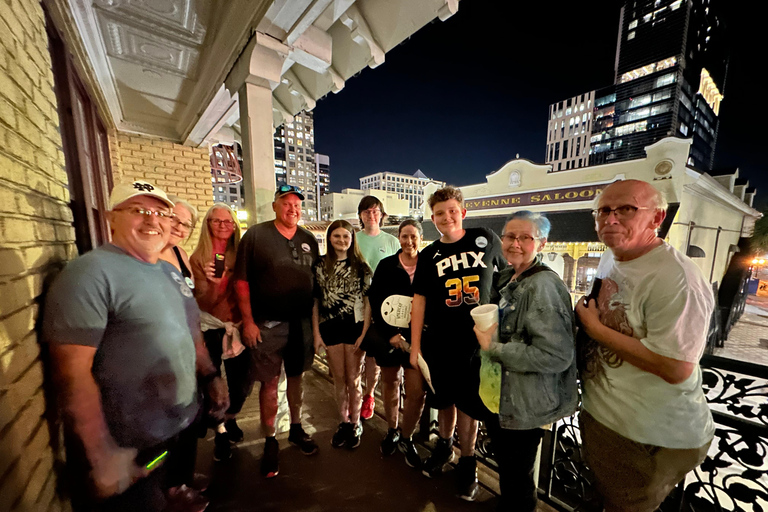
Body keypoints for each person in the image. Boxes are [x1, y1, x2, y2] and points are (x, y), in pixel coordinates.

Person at [44, 180, 228, 512]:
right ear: (112, 217)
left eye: (161, 212)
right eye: (138, 211)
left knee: (164, 490)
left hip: (170, 428)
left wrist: (211, 376)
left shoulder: (168, 272)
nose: (152, 220)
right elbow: (72, 374)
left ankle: (175, 487)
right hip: (126, 444)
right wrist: (102, 456)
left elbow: (190, 330)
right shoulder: (89, 274)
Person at [575, 179, 714, 512]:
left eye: (626, 209)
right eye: (603, 210)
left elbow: (676, 367)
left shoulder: (677, 278)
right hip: (609, 419)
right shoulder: (613, 257)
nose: (610, 219)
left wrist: (595, 329)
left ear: (657, 218)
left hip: (646, 435)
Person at [474, 211, 577, 512]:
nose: (515, 243)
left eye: (525, 238)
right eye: (509, 236)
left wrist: (493, 347)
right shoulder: (509, 277)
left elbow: (555, 355)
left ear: (541, 243)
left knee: (518, 474)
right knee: (510, 469)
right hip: (504, 396)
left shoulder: (543, 287)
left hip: (525, 401)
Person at [409, 186, 506, 501]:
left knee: (470, 405)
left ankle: (468, 461)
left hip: (478, 342)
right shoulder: (428, 255)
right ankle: (444, 447)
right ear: (433, 218)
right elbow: (419, 301)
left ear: (463, 212)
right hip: (439, 340)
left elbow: (508, 279)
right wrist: (414, 346)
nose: (446, 217)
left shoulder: (486, 238)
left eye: (452, 210)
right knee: (444, 401)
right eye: (439, 213)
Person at [234, 183, 320, 479]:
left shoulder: (309, 238)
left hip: (302, 324)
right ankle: (271, 439)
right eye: (286, 203)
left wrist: (316, 329)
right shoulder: (256, 235)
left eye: (297, 204)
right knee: (269, 384)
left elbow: (316, 284)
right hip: (268, 325)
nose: (292, 208)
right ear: (274, 206)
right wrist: (248, 321)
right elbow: (241, 281)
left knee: (296, 379)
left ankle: (296, 427)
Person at [191, 204, 251, 462]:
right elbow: (203, 302)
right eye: (217, 221)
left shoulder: (239, 254)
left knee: (242, 385)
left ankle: (231, 417)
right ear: (208, 224)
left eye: (229, 221)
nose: (224, 226)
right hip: (211, 326)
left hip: (238, 325)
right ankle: (221, 431)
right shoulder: (198, 258)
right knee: (214, 385)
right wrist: (214, 284)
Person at [365, 219, 427, 466]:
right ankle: (391, 428)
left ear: (420, 238)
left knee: (416, 392)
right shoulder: (386, 265)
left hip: (418, 340)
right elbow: (376, 299)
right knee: (390, 382)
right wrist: (390, 333)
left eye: (413, 236)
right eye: (404, 236)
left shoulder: (428, 266)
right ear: (398, 238)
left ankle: (407, 435)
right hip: (389, 337)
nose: (409, 241)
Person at [312, 220, 373, 449]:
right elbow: (315, 302)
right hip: (330, 328)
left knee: (354, 379)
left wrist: (365, 333)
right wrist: (317, 333)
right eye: (336, 236)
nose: (341, 240)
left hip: (355, 329)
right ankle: (344, 421)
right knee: (339, 379)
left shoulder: (361, 267)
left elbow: (368, 303)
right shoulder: (319, 265)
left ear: (352, 239)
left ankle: (356, 421)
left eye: (345, 236)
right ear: (329, 238)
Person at [356, 195, 400, 420]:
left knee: (374, 356)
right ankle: (353, 400)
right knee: (357, 354)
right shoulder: (354, 239)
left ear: (382, 215)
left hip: (384, 306)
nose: (371, 215)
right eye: (366, 212)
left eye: (375, 211)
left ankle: (369, 395)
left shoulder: (392, 241)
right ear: (360, 216)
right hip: (356, 305)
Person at [159, 195, 198, 289]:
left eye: (186, 225)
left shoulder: (181, 254)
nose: (179, 227)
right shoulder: (141, 254)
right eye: (173, 219)